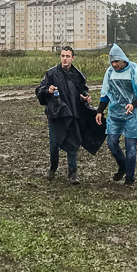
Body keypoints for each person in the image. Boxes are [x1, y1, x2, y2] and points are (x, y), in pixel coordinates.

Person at [97, 44, 137, 186]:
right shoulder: (109, 72)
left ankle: (130, 177)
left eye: (116, 61)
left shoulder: (134, 71)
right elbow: (105, 93)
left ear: (123, 60)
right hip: (115, 115)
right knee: (111, 143)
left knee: (131, 149)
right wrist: (99, 111)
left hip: (131, 116)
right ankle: (123, 166)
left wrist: (133, 104)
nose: (114, 64)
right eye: (112, 62)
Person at [35, 47, 93, 184]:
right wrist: (47, 91)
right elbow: (39, 90)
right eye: (62, 56)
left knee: (73, 142)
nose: (65, 58)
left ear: (73, 58)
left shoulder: (78, 75)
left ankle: (73, 173)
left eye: (67, 56)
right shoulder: (51, 74)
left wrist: (85, 97)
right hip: (56, 114)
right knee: (54, 143)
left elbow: (83, 91)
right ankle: (53, 167)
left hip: (73, 114)